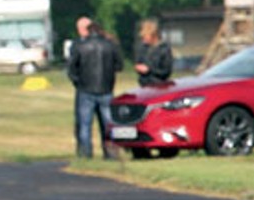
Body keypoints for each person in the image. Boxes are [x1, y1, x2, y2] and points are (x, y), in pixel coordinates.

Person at [66, 16, 122, 160]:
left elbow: (72, 69)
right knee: (109, 124)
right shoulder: (110, 45)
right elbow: (119, 65)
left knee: (84, 124)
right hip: (106, 89)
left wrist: (78, 82)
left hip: (85, 89)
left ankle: (85, 153)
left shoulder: (80, 46)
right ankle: (111, 153)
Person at [134, 18, 174, 89]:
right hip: (144, 86)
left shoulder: (164, 49)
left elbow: (166, 71)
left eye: (145, 36)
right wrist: (138, 68)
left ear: (153, 35)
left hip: (159, 87)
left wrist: (149, 70)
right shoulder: (143, 48)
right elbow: (139, 62)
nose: (143, 39)